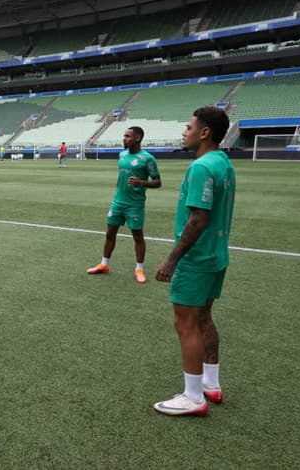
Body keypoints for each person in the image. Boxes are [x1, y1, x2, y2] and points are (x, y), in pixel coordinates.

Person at [153, 106, 234, 416]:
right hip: (216, 255)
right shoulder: (224, 163)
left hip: (196, 259)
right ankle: (210, 384)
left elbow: (198, 218)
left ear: (204, 132)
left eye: (188, 127)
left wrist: (173, 259)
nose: (184, 132)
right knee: (204, 318)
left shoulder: (200, 167)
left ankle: (193, 397)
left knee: (186, 323)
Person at [86, 126, 161, 283]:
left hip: (135, 204)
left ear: (137, 138)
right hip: (118, 202)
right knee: (109, 233)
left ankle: (139, 268)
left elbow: (157, 182)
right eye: (124, 136)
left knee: (137, 237)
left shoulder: (147, 158)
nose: (124, 138)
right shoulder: (122, 155)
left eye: (128, 136)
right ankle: (104, 264)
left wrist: (141, 183)